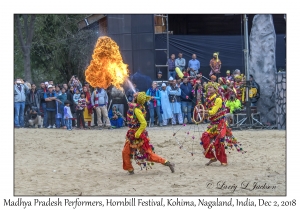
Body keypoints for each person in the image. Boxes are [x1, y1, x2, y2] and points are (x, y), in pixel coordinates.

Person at [122, 92, 175, 175]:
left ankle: (167, 163)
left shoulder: (136, 109)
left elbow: (144, 123)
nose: (134, 96)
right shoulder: (138, 106)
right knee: (125, 152)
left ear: (137, 99)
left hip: (137, 135)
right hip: (132, 134)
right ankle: (130, 169)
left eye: (135, 96)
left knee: (148, 155)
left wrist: (137, 134)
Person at [200, 81, 242, 166]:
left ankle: (223, 161)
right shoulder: (209, 98)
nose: (209, 89)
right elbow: (209, 114)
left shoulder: (218, 99)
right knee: (205, 138)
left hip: (220, 123)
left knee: (219, 142)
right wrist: (203, 113)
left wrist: (203, 111)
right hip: (213, 123)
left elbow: (213, 112)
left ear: (215, 89)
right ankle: (212, 157)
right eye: (208, 87)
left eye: (211, 87)